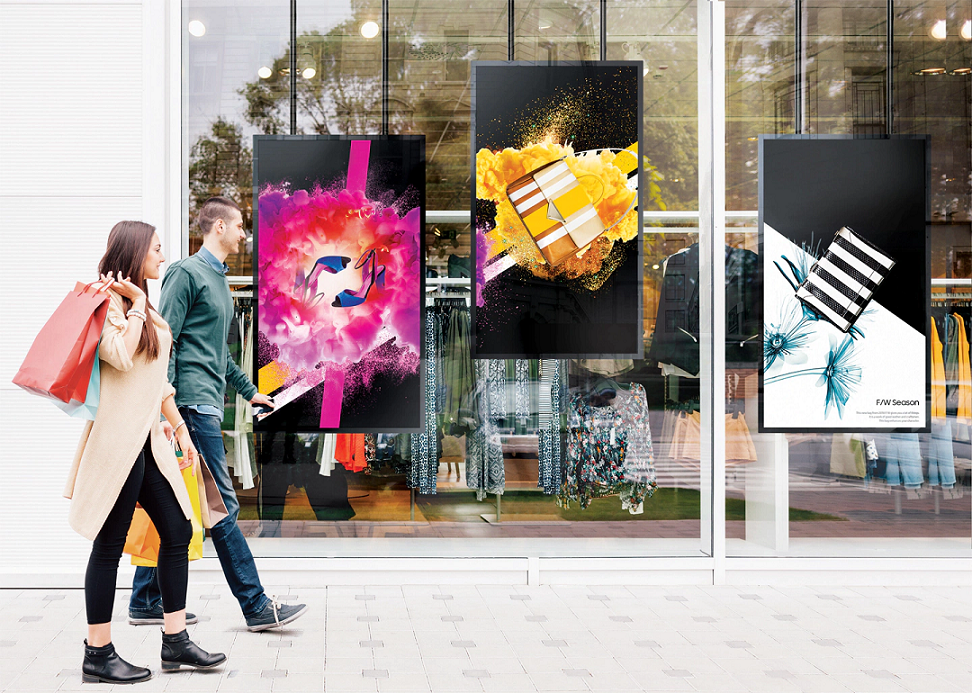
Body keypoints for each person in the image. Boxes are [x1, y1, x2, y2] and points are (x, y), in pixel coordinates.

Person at [128, 196, 307, 632]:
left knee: (173, 504)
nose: (246, 232)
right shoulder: (186, 273)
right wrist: (166, 413)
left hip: (206, 404)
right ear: (219, 227)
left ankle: (145, 599)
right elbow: (162, 342)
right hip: (187, 407)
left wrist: (249, 392)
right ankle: (256, 604)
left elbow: (218, 353)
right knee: (220, 506)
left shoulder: (219, 282)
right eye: (241, 224)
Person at [68, 221, 225, 684]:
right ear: (135, 252)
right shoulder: (106, 301)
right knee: (109, 546)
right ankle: (97, 653)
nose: (163, 255)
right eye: (156, 249)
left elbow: (154, 379)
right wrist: (137, 305)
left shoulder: (142, 304)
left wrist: (180, 428)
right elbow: (117, 354)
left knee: (177, 529)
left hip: (150, 442)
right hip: (119, 442)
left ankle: (175, 643)